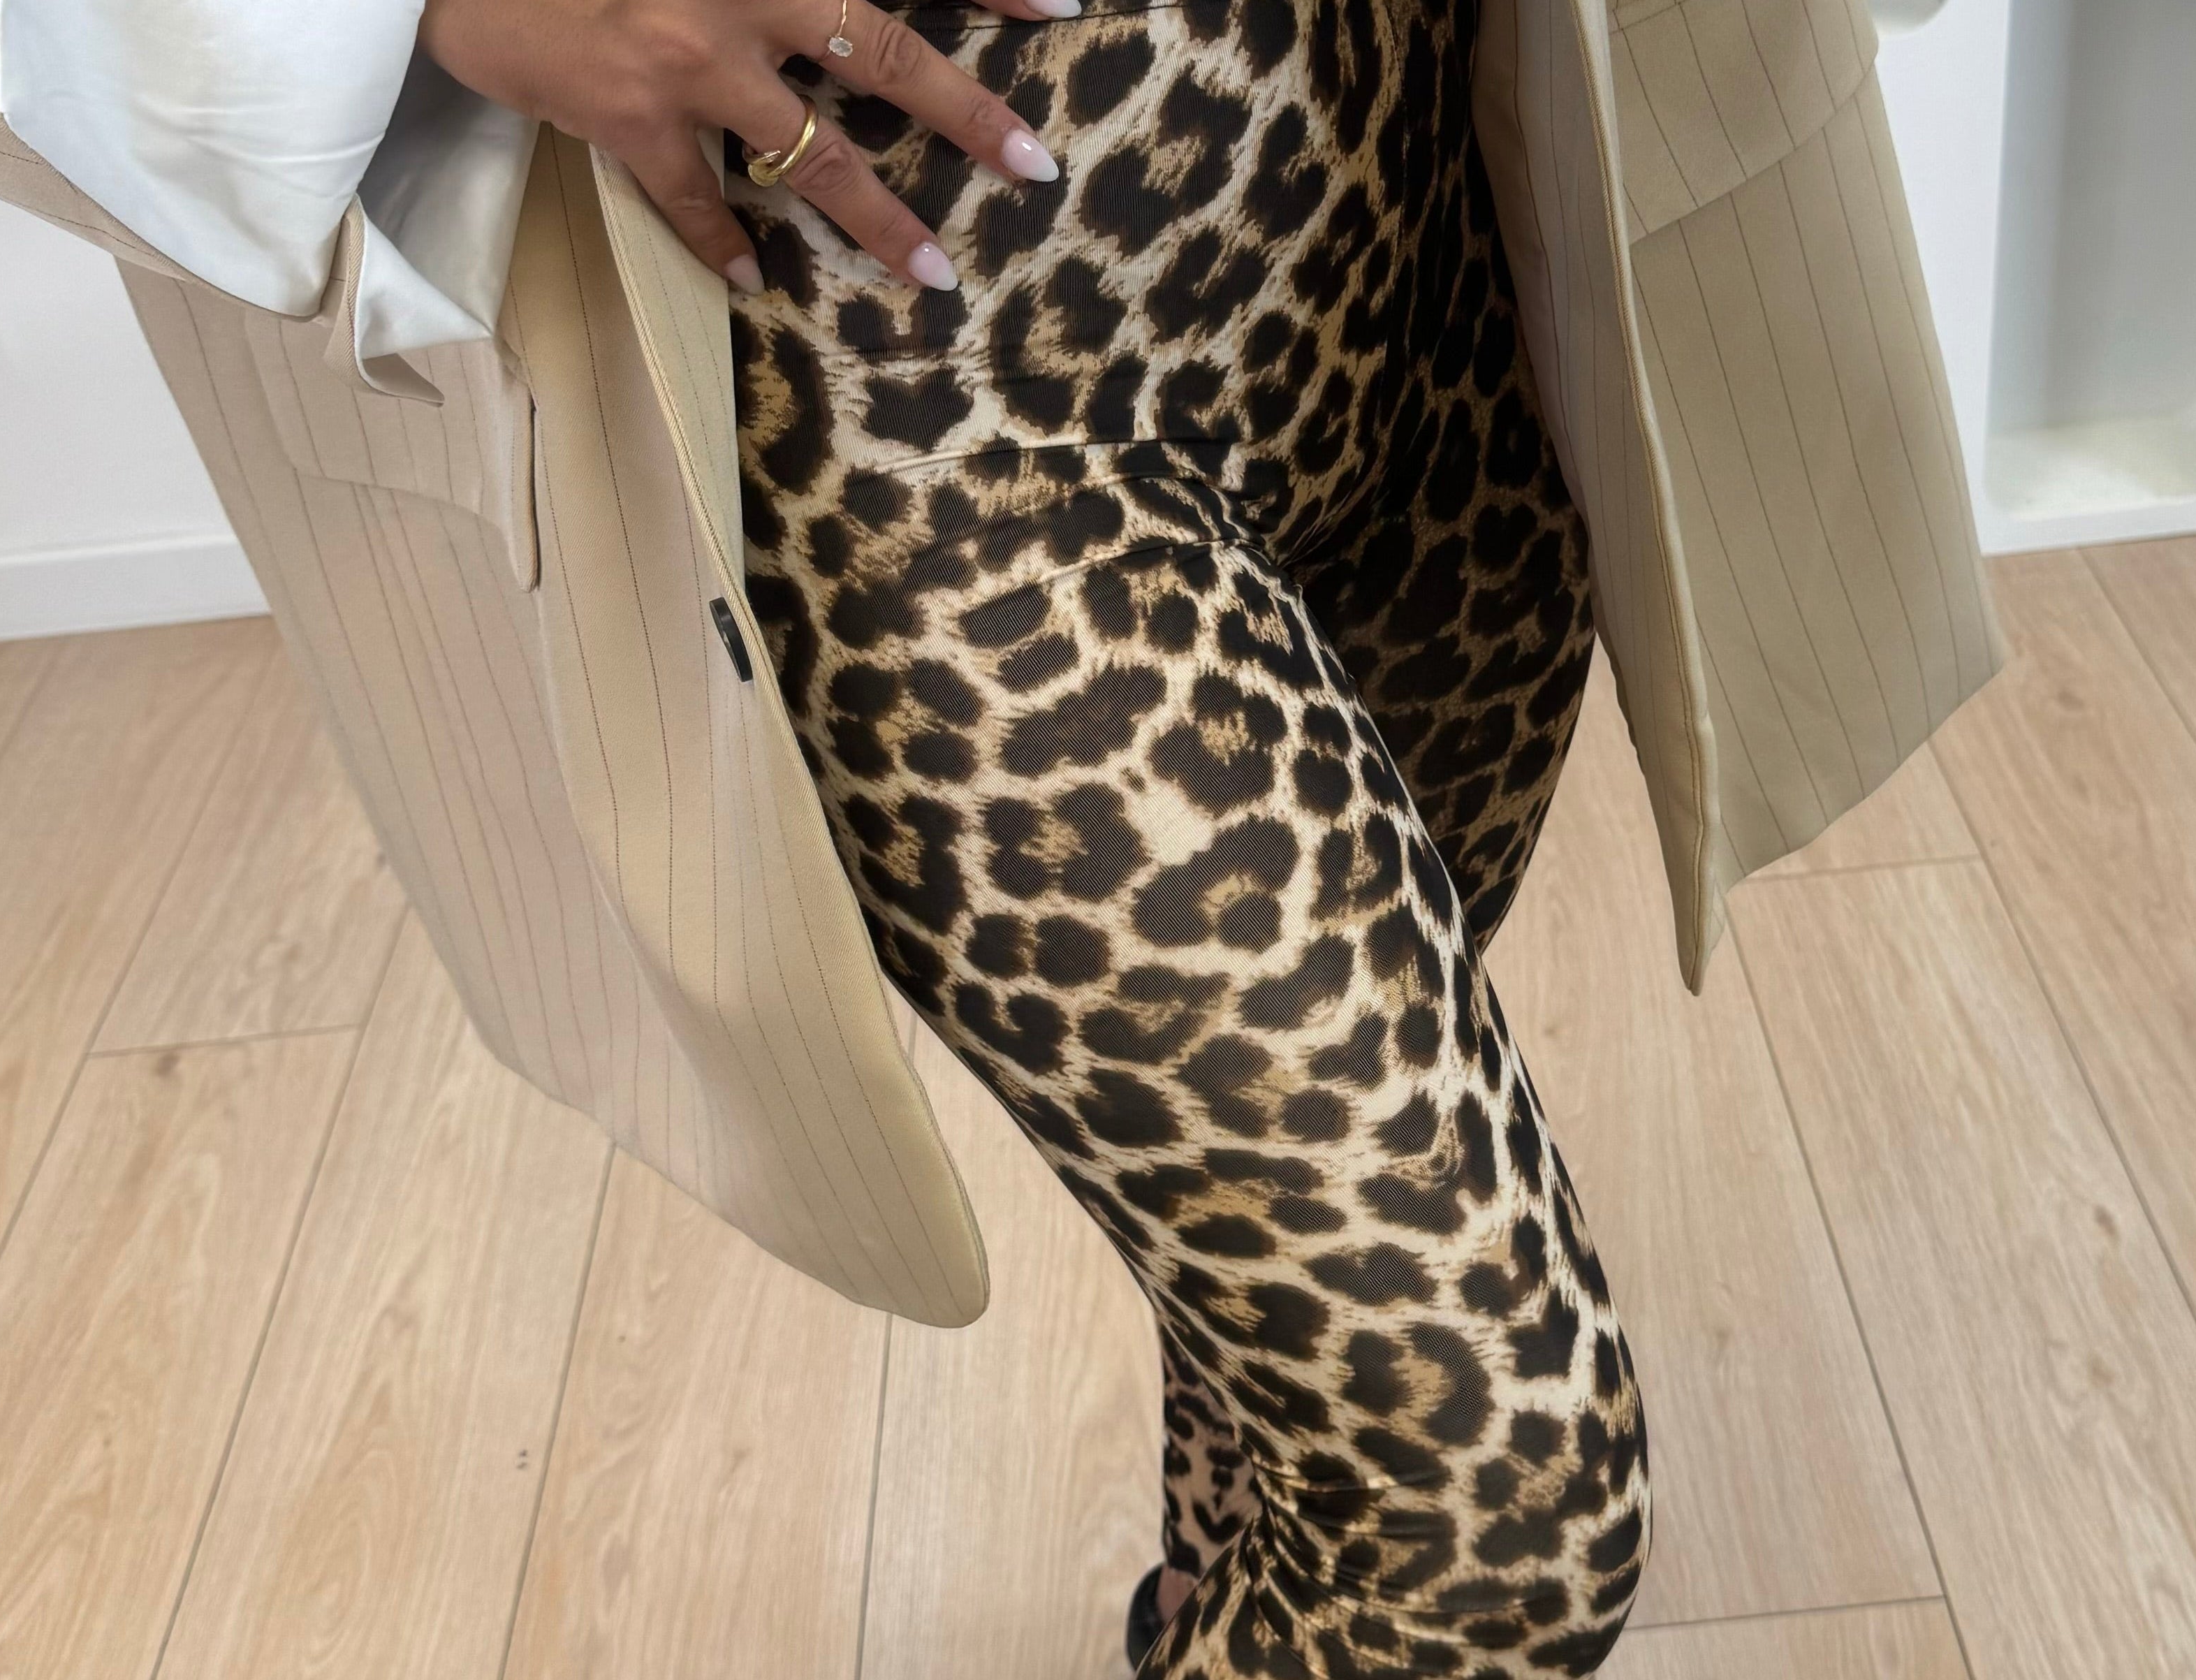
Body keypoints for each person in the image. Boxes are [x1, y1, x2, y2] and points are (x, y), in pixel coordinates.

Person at [413, 0, 1648, 1672]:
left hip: (1431, 250)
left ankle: (1198, 1612)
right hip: (942, 385)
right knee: (1490, 1531)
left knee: (1279, 1356)